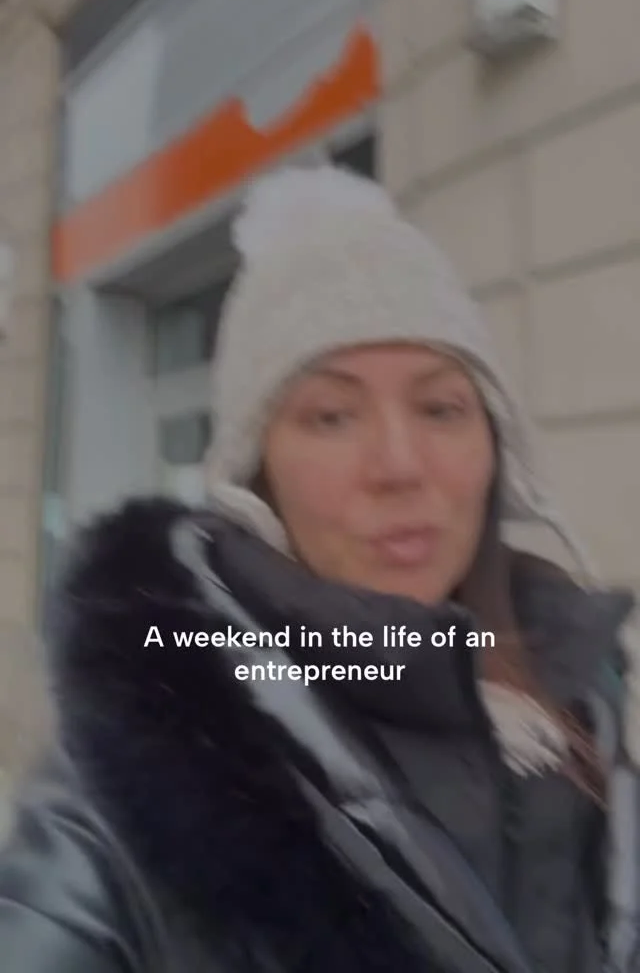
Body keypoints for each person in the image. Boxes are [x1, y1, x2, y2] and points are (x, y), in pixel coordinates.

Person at [0, 165, 638, 973]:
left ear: (496, 447)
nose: (400, 465)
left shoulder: (579, 690)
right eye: (332, 416)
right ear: (254, 474)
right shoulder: (127, 792)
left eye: (441, 407)